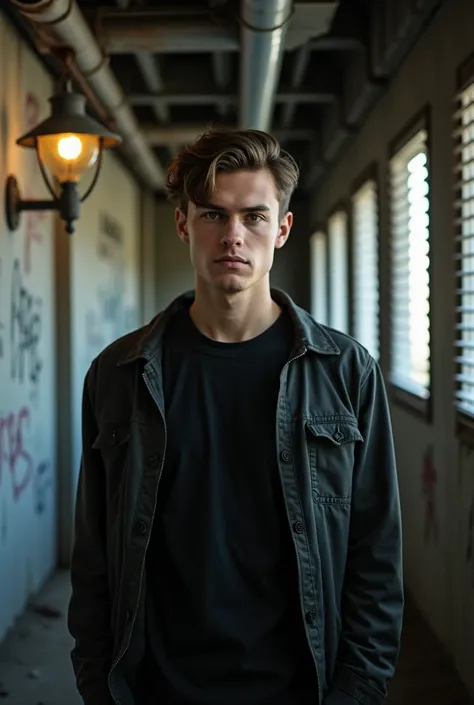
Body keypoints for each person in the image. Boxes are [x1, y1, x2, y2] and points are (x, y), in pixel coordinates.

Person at [68, 128, 404, 705]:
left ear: (282, 229)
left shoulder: (346, 373)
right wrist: (98, 682)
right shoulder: (117, 374)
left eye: (254, 217)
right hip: (155, 687)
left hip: (300, 687)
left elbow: (376, 555)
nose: (233, 236)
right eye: (212, 215)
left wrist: (359, 689)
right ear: (182, 224)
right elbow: (94, 551)